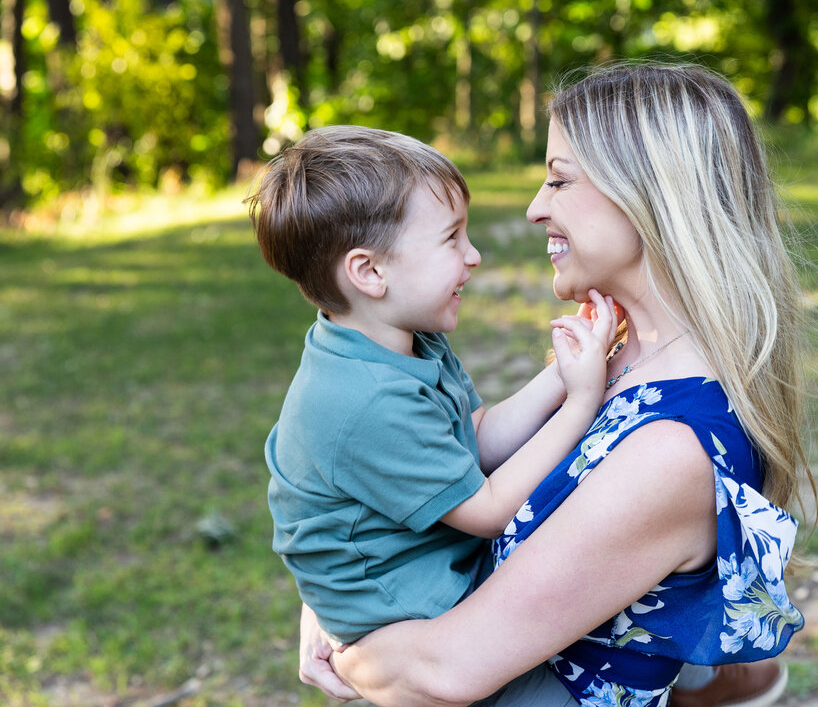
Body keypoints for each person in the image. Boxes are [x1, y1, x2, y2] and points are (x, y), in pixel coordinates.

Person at [298, 63, 818, 707]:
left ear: (648, 193)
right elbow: (430, 470)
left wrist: (346, 639)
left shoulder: (673, 448)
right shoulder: (620, 355)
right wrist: (333, 584)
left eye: (559, 179)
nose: (534, 208)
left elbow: (439, 674)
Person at [247, 126, 616, 648]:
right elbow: (487, 511)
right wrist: (580, 402)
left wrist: (561, 373)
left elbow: (474, 438)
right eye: (451, 238)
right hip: (412, 617)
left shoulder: (407, 337)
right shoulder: (365, 397)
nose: (474, 256)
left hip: (439, 568)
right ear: (370, 272)